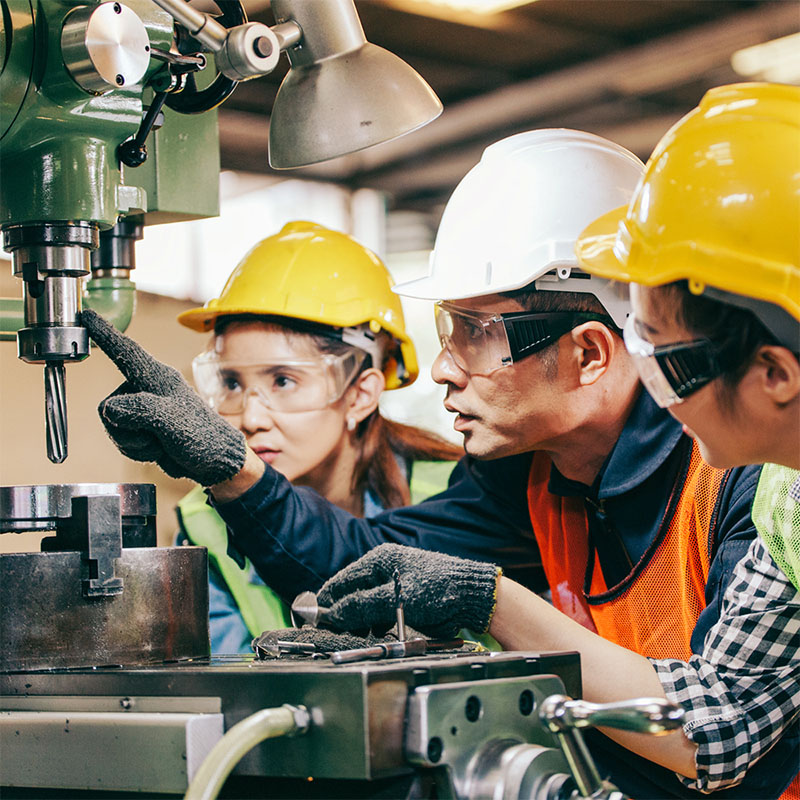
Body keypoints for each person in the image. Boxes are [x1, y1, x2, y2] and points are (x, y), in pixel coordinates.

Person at [80, 129, 793, 798]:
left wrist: (493, 602)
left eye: (475, 333)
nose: (442, 371)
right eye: (446, 329)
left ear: (589, 353)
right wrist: (232, 467)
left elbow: (719, 739)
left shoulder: (752, 479)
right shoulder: (530, 471)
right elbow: (373, 566)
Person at [573, 81, 800, 794]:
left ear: (774, 373)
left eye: (663, 359)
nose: (651, 391)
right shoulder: (785, 500)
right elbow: (718, 719)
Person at [173, 221, 462, 653]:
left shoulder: (453, 494)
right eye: (232, 383)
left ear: (361, 394)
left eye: (284, 381)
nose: (251, 418)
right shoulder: (206, 522)